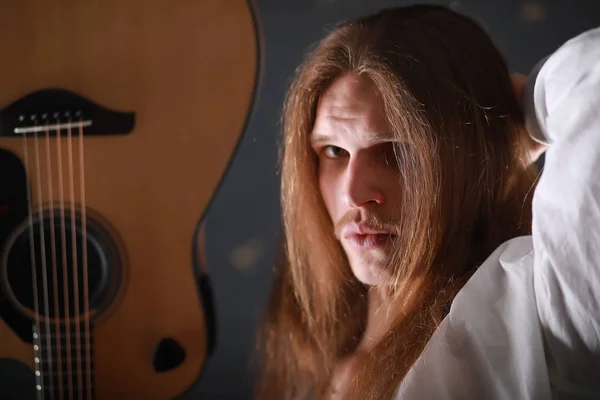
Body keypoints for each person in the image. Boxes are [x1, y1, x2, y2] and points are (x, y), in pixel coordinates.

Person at [256, 4, 600, 399]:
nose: (353, 194)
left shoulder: (534, 320)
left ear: (469, 157)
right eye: (334, 151)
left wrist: (517, 123)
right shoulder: (313, 338)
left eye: (396, 151)